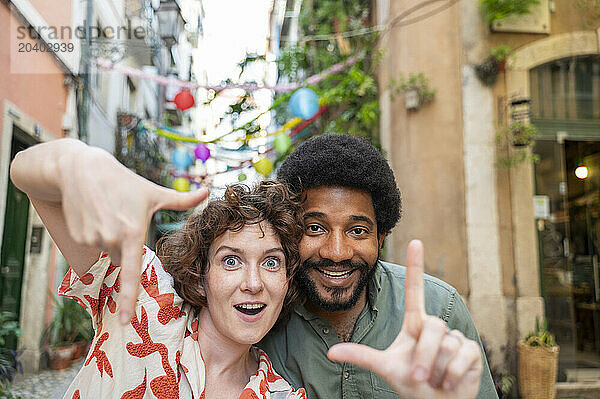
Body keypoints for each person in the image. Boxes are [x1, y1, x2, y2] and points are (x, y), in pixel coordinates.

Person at [10, 139, 307, 398]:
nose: (253, 283)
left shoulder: (282, 395)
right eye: (231, 260)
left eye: (271, 262)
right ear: (200, 277)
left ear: (286, 280)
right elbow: (24, 172)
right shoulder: (145, 296)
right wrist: (75, 162)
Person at [258, 133, 498, 398]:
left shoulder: (441, 308)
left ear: (380, 238)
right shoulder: (261, 312)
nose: (337, 252)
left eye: (358, 231)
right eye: (315, 228)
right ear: (291, 230)